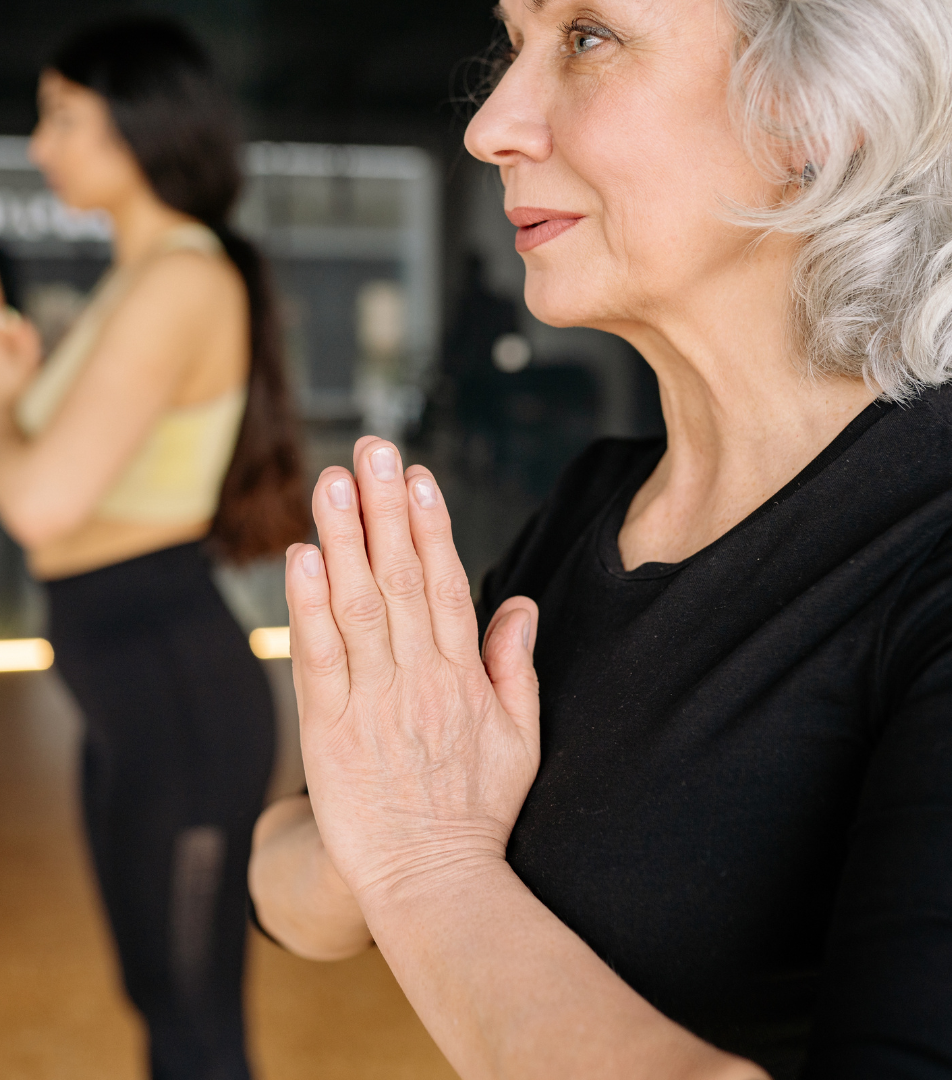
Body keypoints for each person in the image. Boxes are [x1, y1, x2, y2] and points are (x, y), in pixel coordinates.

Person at [248, 0, 952, 1077]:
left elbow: (404, 853)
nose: (490, 123)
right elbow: (288, 883)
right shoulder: (596, 506)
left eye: (587, 36)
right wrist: (380, 834)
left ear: (822, 109)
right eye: (514, 41)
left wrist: (427, 862)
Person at [0, 17, 308, 1080]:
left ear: (141, 121)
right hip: (135, 691)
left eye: (62, 116)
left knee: (193, 1024)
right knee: (162, 998)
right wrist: (16, 389)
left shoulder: (178, 279)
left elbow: (45, 505)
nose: (40, 146)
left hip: (172, 693)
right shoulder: (144, 278)